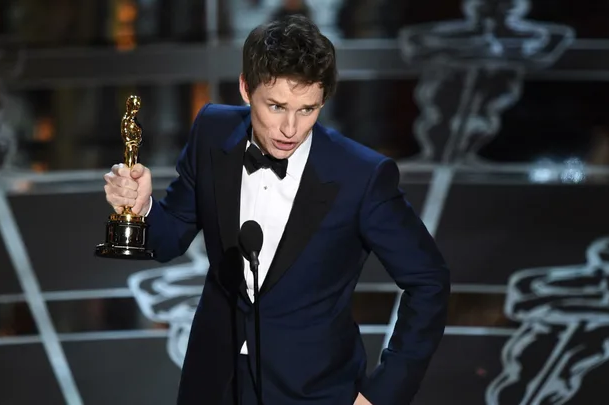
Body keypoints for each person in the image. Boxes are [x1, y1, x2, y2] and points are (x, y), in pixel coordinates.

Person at [103, 14, 450, 405]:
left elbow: (429, 280)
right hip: (215, 383)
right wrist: (142, 207)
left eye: (307, 110)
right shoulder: (212, 132)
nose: (290, 128)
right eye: (276, 106)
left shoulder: (361, 176)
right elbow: (172, 236)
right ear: (245, 87)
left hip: (314, 391)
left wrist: (384, 393)